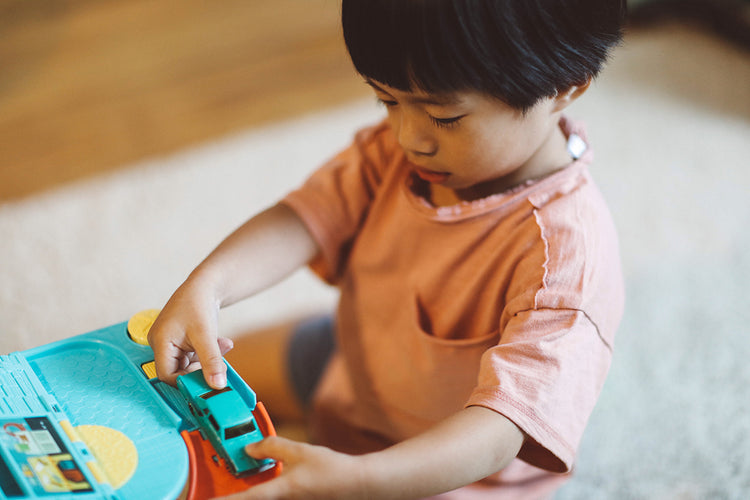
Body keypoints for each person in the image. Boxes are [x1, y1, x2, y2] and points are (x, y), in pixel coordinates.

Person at [148, 0, 626, 498]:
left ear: (565, 85)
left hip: (449, 467)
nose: (408, 137)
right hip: (352, 364)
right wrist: (210, 285)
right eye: (388, 101)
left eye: (444, 116)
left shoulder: (567, 261)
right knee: (181, 383)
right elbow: (307, 217)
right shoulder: (401, 154)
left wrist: (363, 478)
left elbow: (503, 426)